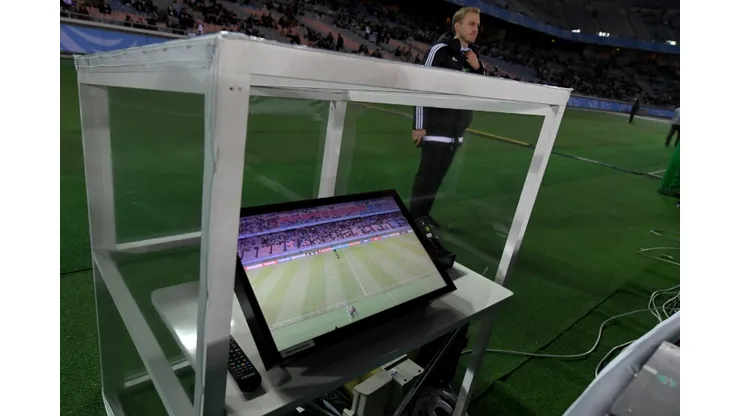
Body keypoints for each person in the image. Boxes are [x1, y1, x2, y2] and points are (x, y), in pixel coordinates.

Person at [409, 7, 486, 225]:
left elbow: (479, 88)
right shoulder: (440, 50)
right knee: (426, 177)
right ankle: (414, 218)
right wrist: (419, 125)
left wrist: (478, 68)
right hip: (435, 128)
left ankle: (424, 215)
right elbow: (422, 85)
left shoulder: (473, 56)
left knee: (438, 178)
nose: (475, 29)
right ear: (457, 26)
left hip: (455, 132)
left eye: (478, 25)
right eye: (471, 24)